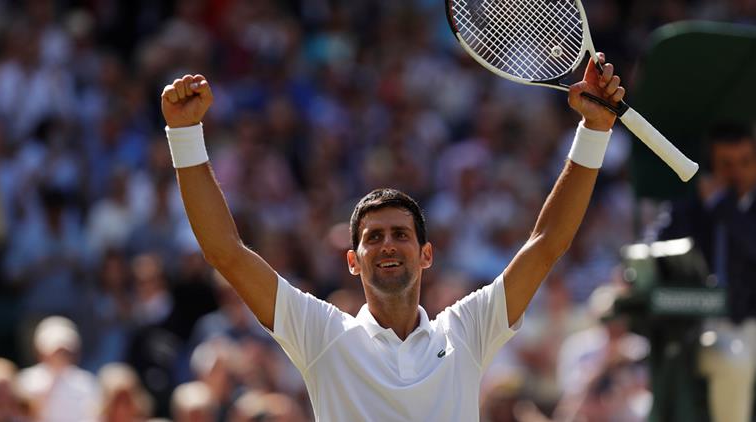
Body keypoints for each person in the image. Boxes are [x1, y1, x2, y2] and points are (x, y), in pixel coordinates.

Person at [160, 52, 626, 420]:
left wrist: (594, 130)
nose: (387, 244)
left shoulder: (466, 330)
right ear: (352, 261)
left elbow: (546, 244)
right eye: (373, 237)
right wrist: (184, 135)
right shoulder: (322, 333)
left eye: (401, 234)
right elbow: (226, 253)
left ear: (426, 255)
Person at [655, 123, 756, 422]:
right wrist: (711, 204)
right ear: (711, 166)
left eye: (746, 162)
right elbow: (656, 251)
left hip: (751, 323)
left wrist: (722, 206)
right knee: (734, 362)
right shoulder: (688, 209)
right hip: (704, 329)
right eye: (726, 164)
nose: (737, 172)